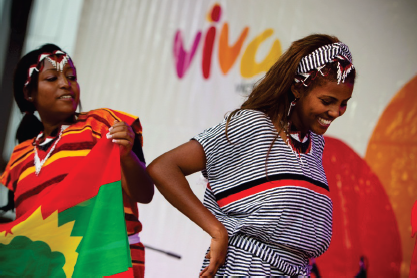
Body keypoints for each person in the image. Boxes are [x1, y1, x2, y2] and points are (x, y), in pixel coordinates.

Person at [147, 34, 356, 276]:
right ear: (298, 88)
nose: (335, 112)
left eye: (344, 103)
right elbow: (163, 167)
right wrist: (217, 231)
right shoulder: (253, 125)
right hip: (249, 267)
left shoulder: (314, 143)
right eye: (327, 100)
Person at [0, 44, 154, 277]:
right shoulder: (19, 156)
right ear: (28, 93)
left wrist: (127, 156)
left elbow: (145, 194)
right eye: (52, 78)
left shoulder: (104, 125)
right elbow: (25, 228)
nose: (65, 83)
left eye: (71, 76)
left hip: (105, 262)